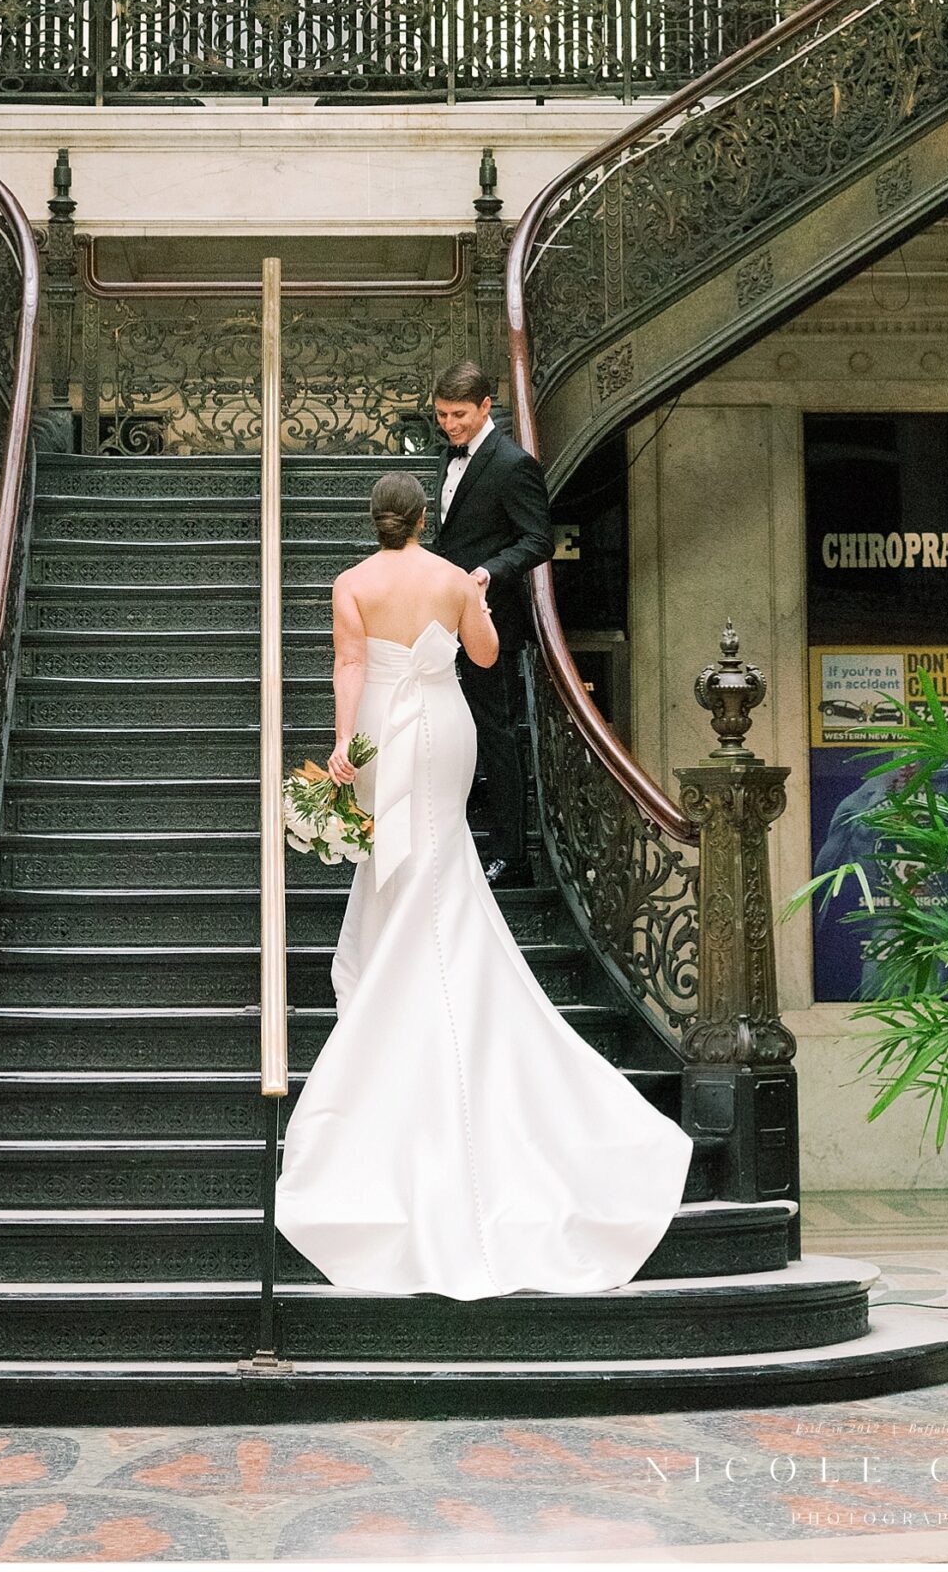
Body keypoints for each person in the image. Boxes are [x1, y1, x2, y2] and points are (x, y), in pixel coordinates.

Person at [273, 470, 694, 1297]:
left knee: (399, 862)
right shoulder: (449, 577)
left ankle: (401, 986)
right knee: (442, 856)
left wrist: (340, 749)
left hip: (379, 734)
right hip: (444, 726)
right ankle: (439, 984)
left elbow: (348, 667)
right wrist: (476, 605)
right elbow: (484, 655)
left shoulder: (350, 583)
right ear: (424, 519)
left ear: (374, 521)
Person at [428, 358, 554, 886]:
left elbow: (538, 539)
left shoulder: (512, 464)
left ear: (486, 406)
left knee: (496, 733)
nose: (450, 425)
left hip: (490, 619)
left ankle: (512, 855)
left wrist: (487, 571)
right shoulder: (446, 457)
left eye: (459, 415)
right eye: (441, 415)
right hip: (440, 618)